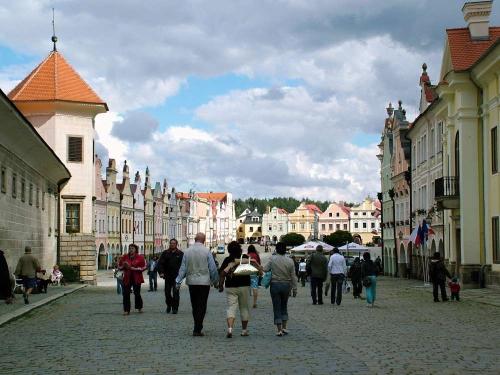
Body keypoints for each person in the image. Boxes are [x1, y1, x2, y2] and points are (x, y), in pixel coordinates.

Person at [176, 233, 219, 336]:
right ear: (204, 240)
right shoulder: (206, 251)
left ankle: (196, 325)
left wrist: (178, 281)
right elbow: (212, 268)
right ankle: (198, 327)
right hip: (204, 282)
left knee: (194, 305)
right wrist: (215, 281)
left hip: (192, 282)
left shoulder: (187, 251)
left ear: (195, 239)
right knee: (202, 305)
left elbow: (183, 268)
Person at [219, 241, 261, 338]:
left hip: (230, 287)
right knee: (244, 308)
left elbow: (222, 274)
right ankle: (244, 330)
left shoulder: (227, 260)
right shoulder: (245, 258)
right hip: (244, 286)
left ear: (229, 250)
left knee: (231, 308)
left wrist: (221, 285)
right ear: (240, 249)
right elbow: (256, 268)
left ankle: (230, 329)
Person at [263, 242, 297, 337]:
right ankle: (285, 327)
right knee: (284, 305)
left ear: (276, 249)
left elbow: (265, 269)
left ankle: (279, 329)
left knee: (276, 306)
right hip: (286, 285)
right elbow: (293, 276)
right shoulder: (290, 261)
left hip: (275, 285)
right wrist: (295, 289)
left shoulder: (272, 259)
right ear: (285, 250)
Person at [118, 244, 146, 315]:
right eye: (130, 248)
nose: (131, 250)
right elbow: (119, 267)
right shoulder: (125, 257)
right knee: (126, 293)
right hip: (127, 277)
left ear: (135, 249)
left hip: (137, 278)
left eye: (132, 248)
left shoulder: (140, 257)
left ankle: (139, 307)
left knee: (137, 293)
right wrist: (123, 266)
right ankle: (126, 310)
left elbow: (143, 267)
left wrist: (133, 268)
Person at [157, 239, 184, 314]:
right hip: (167, 276)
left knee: (176, 293)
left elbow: (183, 266)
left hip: (177, 277)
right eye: (171, 243)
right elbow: (160, 264)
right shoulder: (165, 253)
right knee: (167, 293)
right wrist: (161, 272)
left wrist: (182, 275)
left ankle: (175, 308)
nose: (172, 244)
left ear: (176, 244)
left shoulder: (180, 254)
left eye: (174, 243)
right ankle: (169, 305)